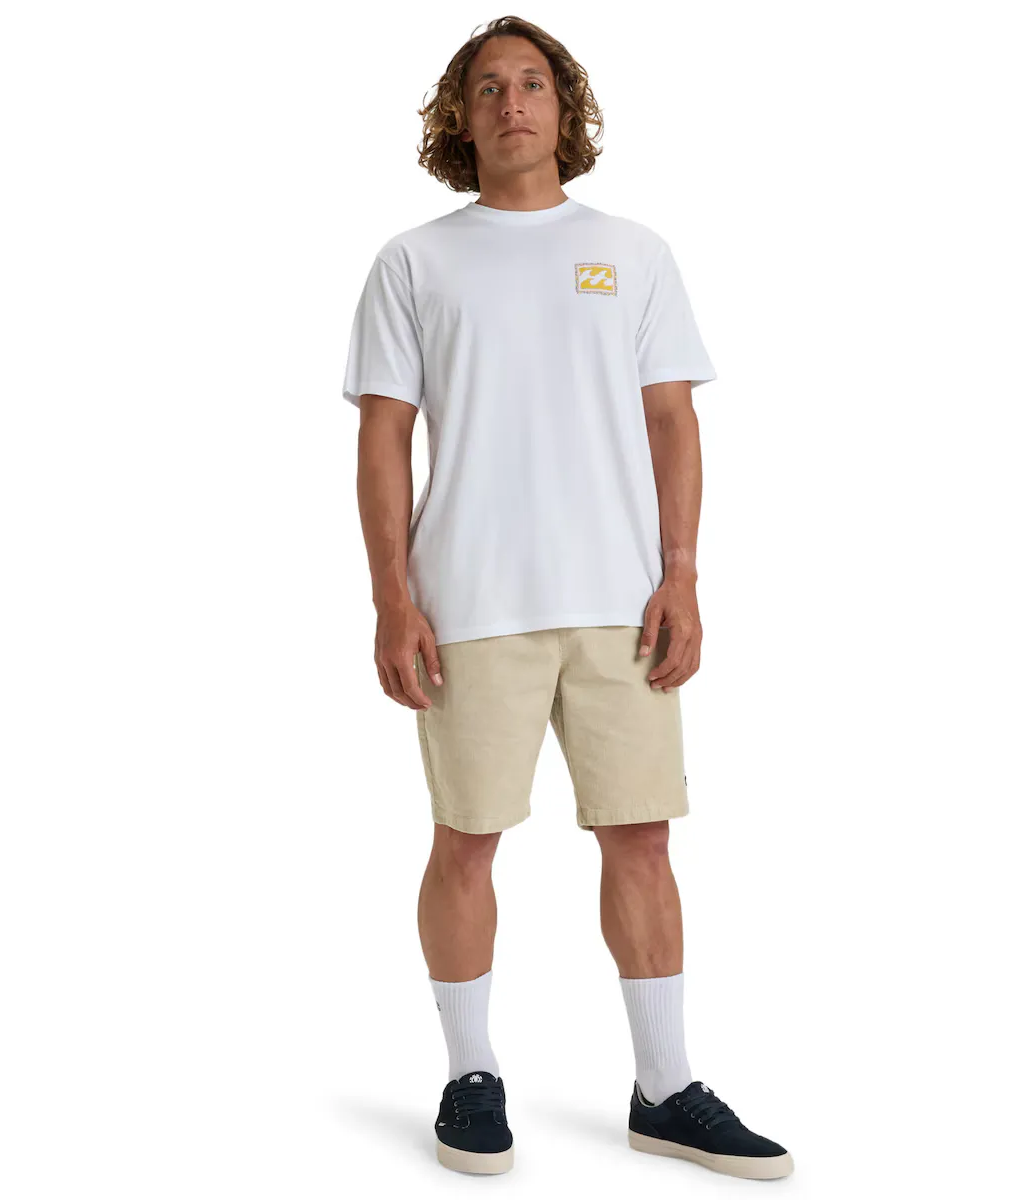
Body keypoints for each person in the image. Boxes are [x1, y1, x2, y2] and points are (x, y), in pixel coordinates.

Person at [340, 15, 793, 1180]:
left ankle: (666, 1089)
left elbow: (671, 423)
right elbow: (384, 438)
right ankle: (470, 1075)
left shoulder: (632, 252)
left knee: (642, 838)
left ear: (564, 106)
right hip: (469, 601)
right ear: (459, 117)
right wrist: (393, 598)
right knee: (465, 840)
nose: (512, 102)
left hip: (619, 603)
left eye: (532, 83)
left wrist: (682, 574)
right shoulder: (414, 262)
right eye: (488, 87)